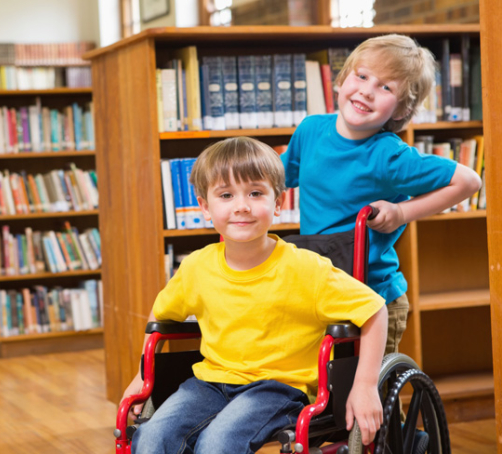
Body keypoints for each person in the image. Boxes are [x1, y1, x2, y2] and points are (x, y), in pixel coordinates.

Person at [121, 137, 388, 453]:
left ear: (278, 202)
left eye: (256, 193)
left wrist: (366, 385)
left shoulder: (306, 268)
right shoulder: (197, 266)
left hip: (278, 389)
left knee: (217, 444)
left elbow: (374, 310)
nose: (241, 205)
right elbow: (161, 317)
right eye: (225, 195)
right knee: (151, 438)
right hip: (209, 383)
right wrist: (142, 374)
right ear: (205, 206)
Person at [281, 34, 481, 359]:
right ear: (343, 78)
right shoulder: (310, 131)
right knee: (326, 389)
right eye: (361, 76)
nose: (367, 91)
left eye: (386, 87)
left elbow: (468, 181)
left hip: (373, 298)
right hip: (320, 288)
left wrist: (401, 213)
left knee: (370, 396)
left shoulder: (389, 156)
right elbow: (277, 176)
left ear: (401, 111)